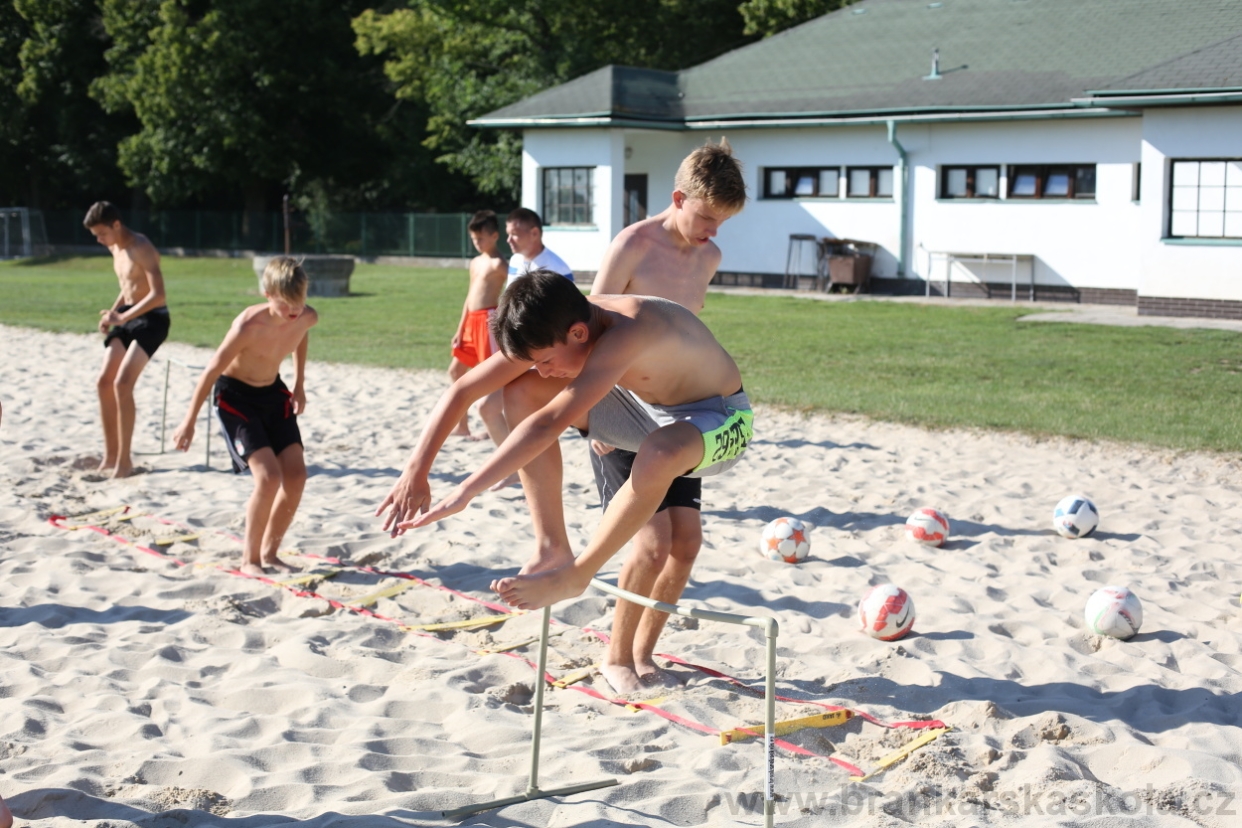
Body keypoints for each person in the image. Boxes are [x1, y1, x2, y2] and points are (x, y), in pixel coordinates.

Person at [377, 271, 754, 616]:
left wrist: (465, 491)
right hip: (644, 408)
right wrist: (416, 471)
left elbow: (547, 425)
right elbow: (463, 390)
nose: (543, 370)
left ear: (578, 334)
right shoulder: (558, 320)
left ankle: (578, 574)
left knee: (660, 451)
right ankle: (551, 546)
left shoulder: (629, 330)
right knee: (522, 390)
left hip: (720, 419)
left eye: (545, 360)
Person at [587, 138, 747, 692]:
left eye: (722, 222)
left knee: (685, 544)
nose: (713, 231)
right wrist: (599, 413)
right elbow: (589, 330)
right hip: (622, 408)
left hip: (677, 417)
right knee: (650, 542)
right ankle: (614, 659)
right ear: (678, 197)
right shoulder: (632, 244)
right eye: (706, 217)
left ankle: (643, 652)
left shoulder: (709, 257)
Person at [171, 257, 317, 577]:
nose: (295, 310)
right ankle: (249, 560)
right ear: (268, 294)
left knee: (296, 476)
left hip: (273, 393)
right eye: (286, 303)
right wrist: (189, 421)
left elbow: (301, 332)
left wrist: (300, 384)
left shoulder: (305, 316)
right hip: (235, 398)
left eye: (300, 301)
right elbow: (211, 370)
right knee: (268, 478)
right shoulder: (248, 326)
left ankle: (271, 552)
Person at [85, 201, 170, 478]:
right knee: (103, 382)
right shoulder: (115, 247)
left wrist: (123, 317)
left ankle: (125, 462)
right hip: (127, 316)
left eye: (101, 234)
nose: (99, 240)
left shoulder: (141, 247)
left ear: (116, 225)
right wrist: (113, 313)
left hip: (153, 318)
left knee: (123, 383)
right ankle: (110, 457)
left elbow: (158, 295)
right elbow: (127, 287)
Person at [447, 210, 508, 444]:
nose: (477, 242)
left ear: (494, 236)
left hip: (487, 322)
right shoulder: (476, 262)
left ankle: (498, 426)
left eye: (481, 238)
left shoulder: (499, 264)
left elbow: (511, 290)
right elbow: (469, 297)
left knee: (491, 377)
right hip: (471, 321)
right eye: (474, 238)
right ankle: (462, 426)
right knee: (455, 371)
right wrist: (460, 329)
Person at [505, 208, 574, 286]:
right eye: (508, 234)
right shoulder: (515, 260)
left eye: (514, 234)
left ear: (534, 233)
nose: (508, 240)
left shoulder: (558, 269)